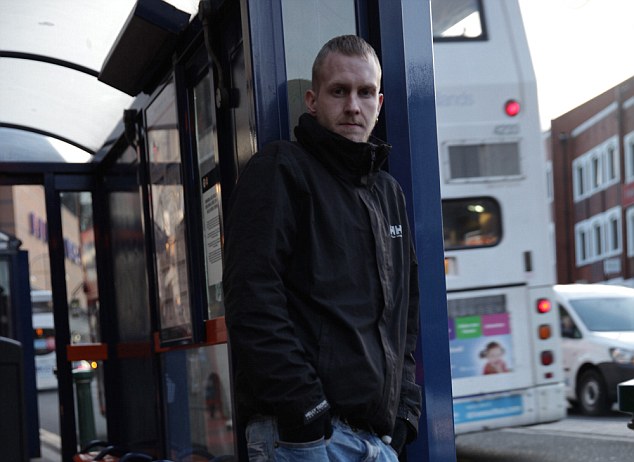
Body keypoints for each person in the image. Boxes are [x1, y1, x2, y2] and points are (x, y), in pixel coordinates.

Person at [223, 35, 421, 461]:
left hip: (377, 443)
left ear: (380, 102)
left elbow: (404, 317)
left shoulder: (388, 193)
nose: (354, 105)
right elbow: (252, 296)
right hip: (304, 440)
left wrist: (405, 410)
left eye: (365, 92)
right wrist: (306, 409)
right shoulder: (281, 169)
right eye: (339, 91)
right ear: (313, 100)